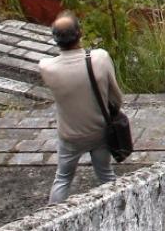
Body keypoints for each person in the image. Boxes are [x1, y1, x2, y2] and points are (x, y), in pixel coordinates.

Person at [36, 11, 124, 204]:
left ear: (55, 40)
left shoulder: (47, 67)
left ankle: (50, 219)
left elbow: (47, 63)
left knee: (63, 179)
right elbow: (116, 98)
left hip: (70, 137)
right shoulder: (100, 58)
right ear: (80, 33)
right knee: (106, 175)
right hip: (100, 132)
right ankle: (120, 207)